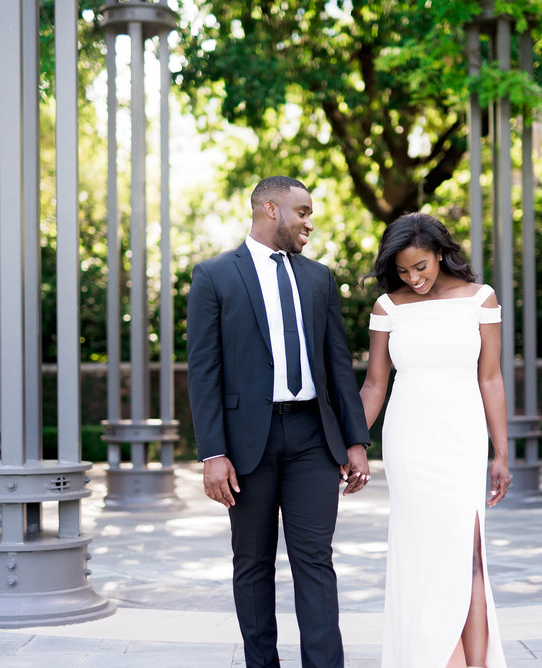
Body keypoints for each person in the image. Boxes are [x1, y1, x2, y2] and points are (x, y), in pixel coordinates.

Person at [187, 176, 373, 668]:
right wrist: (213, 452)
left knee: (316, 560)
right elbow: (204, 372)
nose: (309, 222)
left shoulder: (319, 278)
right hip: (248, 443)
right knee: (252, 564)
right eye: (303, 212)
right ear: (270, 209)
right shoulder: (214, 276)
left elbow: (339, 364)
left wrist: (356, 440)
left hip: (314, 437)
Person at [359, 212, 511, 668]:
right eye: (404, 270)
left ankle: (477, 663)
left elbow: (491, 379)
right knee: (423, 556)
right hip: (409, 444)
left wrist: (500, 453)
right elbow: (373, 385)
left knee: (469, 556)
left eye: (420, 266)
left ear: (441, 254)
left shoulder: (480, 299)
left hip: (462, 442)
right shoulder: (389, 307)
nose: (414, 278)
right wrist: (351, 443)